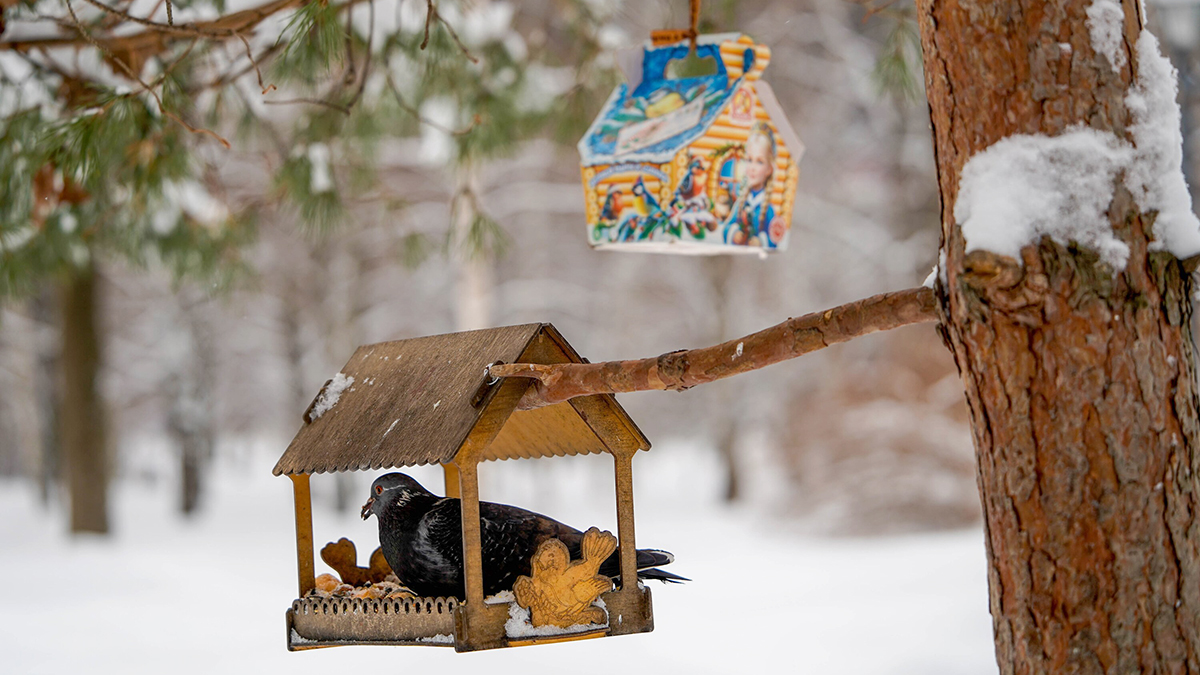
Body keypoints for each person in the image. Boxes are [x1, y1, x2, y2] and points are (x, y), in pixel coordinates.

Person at [723, 122, 783, 248]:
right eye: (749, 160)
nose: (752, 168)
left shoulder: (767, 208)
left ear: (769, 169)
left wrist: (761, 242)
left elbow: (775, 239)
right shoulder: (742, 203)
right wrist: (733, 234)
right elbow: (727, 227)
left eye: (759, 162)